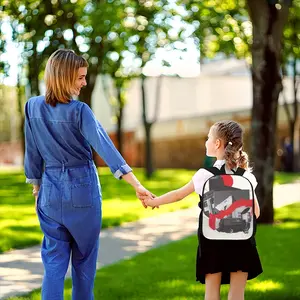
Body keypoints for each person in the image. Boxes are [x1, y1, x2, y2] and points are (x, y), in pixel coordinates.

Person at [24, 49, 153, 300]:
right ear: (64, 77)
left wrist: (37, 189)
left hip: (49, 193)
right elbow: (106, 148)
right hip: (82, 190)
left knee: (53, 264)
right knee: (84, 264)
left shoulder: (32, 107)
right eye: (80, 77)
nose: (84, 83)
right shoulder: (79, 110)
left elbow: (32, 152)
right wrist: (136, 184)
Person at [144, 120, 263, 300]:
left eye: (208, 138)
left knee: (211, 294)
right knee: (237, 295)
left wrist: (154, 202)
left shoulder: (205, 175)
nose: (206, 142)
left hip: (213, 242)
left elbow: (178, 195)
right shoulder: (247, 176)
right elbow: (256, 212)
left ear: (217, 144)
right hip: (241, 242)